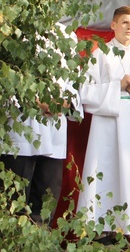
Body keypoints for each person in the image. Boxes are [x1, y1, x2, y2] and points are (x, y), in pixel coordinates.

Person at [76, 6, 130, 237]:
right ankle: (101, 230)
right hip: (108, 123)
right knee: (106, 170)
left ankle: (126, 231)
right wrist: (118, 86)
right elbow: (85, 90)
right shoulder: (100, 54)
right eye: (124, 22)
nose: (129, 28)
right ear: (113, 25)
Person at [1, 23, 82, 223]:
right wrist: (34, 102)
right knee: (15, 196)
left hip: (53, 130)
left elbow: (75, 81)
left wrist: (64, 103)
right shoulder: (12, 29)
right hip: (20, 128)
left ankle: (40, 244)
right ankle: (12, 244)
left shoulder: (65, 35)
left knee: (47, 194)